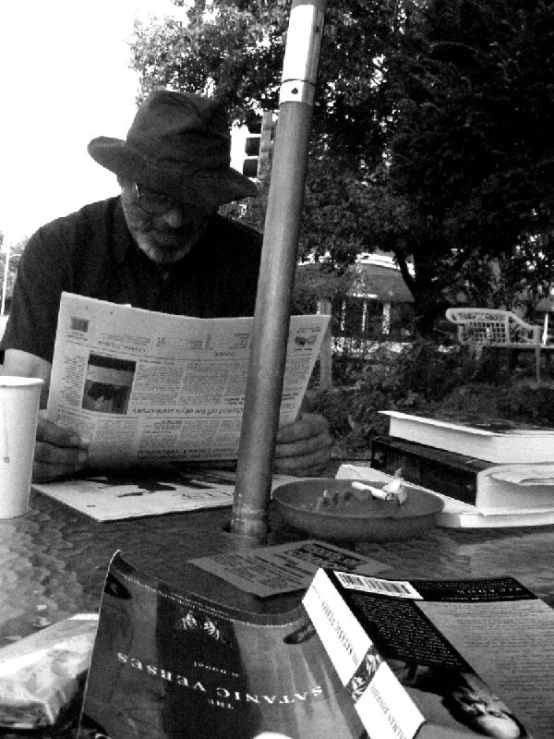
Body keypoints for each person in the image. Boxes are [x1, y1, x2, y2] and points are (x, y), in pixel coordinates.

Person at [0, 89, 333, 483]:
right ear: (122, 176)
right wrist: (19, 440)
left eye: (196, 200)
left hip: (212, 504)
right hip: (71, 497)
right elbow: (17, 395)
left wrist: (302, 443)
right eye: (155, 196)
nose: (175, 219)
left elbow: (286, 406)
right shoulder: (60, 249)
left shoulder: (255, 262)